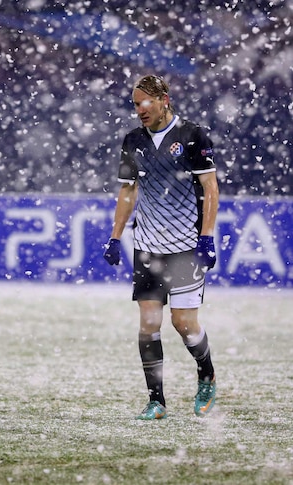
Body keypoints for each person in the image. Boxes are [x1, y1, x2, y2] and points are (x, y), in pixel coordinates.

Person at [103, 74, 219, 420]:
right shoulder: (133, 141)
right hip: (148, 247)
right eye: (135, 104)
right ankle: (157, 401)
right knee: (148, 324)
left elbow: (210, 187)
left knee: (183, 324)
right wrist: (115, 236)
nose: (139, 109)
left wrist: (207, 236)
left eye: (144, 102)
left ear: (163, 99)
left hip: (185, 246)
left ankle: (207, 374)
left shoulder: (192, 135)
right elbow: (128, 191)